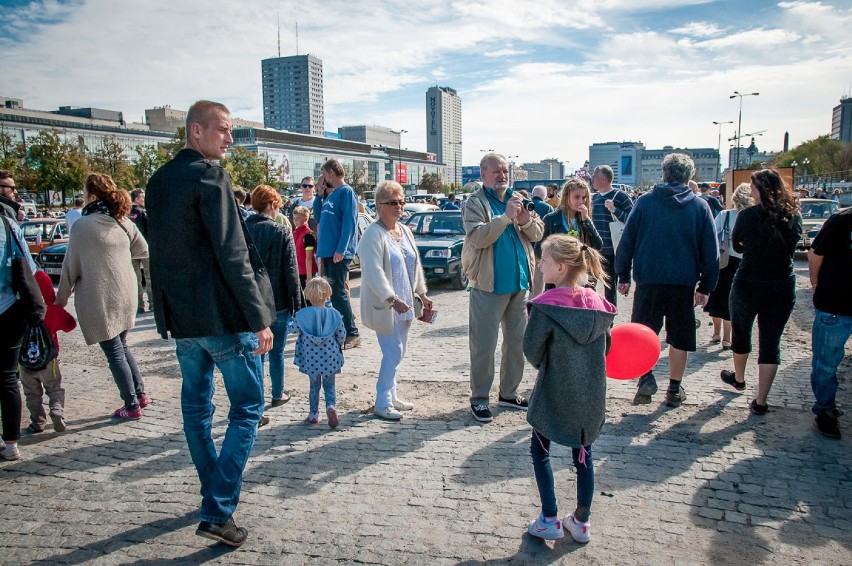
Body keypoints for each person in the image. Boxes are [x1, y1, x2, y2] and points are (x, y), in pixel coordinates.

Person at [146, 100, 276, 548]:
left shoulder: (158, 181)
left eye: (231, 130)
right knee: (248, 406)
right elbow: (232, 253)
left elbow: (158, 256)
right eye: (223, 130)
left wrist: (164, 315)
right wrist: (259, 317)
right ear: (195, 131)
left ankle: (212, 499)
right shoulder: (210, 176)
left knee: (196, 411)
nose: (229, 138)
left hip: (182, 320)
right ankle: (219, 508)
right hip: (220, 317)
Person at [523, 234, 615, 543]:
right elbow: (607, 347)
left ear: (561, 268)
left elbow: (532, 350)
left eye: (544, 260)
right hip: (590, 394)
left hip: (552, 391)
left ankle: (549, 517)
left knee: (540, 450)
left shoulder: (546, 307)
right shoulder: (599, 306)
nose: (540, 264)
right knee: (584, 454)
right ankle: (581, 521)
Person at [615, 153, 718, 408]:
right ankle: (674, 388)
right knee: (679, 337)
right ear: (689, 177)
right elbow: (711, 251)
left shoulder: (645, 203)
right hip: (682, 283)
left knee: (645, 333)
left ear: (663, 173)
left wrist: (624, 275)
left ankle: (646, 377)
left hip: (649, 279)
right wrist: (706, 286)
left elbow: (627, 240)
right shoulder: (700, 206)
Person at [56, 173, 150, 420]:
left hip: (101, 297)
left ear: (93, 195)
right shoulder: (122, 221)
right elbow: (142, 249)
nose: (83, 197)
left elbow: (69, 268)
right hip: (126, 293)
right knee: (122, 345)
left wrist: (60, 300)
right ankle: (140, 394)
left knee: (114, 351)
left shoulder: (82, 226)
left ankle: (131, 406)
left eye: (85, 193)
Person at [461, 152, 544, 423]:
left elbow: (537, 235)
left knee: (516, 344)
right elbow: (478, 237)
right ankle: (480, 399)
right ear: (483, 174)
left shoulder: (517, 198)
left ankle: (509, 393)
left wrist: (524, 220)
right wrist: (506, 217)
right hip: (488, 287)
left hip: (520, 285)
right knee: (484, 346)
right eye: (496, 171)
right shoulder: (475, 202)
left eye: (505, 170)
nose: (502, 175)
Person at [719, 170, 802, 415]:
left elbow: (736, 245)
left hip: (749, 280)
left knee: (741, 332)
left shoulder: (747, 216)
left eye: (753, 186)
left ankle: (740, 378)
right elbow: (793, 246)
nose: (750, 190)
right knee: (771, 342)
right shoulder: (792, 216)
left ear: (760, 189)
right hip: (782, 283)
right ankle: (762, 399)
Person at [357, 180, 432, 420]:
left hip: (406, 304)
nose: (399, 206)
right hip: (387, 305)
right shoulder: (373, 234)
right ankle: (381, 401)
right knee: (393, 352)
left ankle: (392, 395)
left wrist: (421, 292)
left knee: (400, 351)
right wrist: (392, 298)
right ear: (379, 206)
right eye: (392, 202)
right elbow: (373, 272)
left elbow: (415, 264)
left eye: (401, 201)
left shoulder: (405, 230)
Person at [245, 185, 305, 409]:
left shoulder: (242, 229)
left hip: (250, 301)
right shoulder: (281, 231)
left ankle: (257, 399)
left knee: (256, 354)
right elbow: (291, 271)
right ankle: (277, 393)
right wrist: (297, 306)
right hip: (277, 300)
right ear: (271, 205)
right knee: (276, 352)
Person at [0, 170, 40, 461]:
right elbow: (30, 267)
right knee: (7, 377)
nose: (13, 193)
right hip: (11, 306)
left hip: (9, 306)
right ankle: (12, 442)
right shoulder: (8, 223)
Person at [807, 206, 851, 438]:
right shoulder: (842, 220)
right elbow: (815, 253)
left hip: (834, 305)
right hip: (835, 305)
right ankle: (825, 409)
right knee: (826, 364)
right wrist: (815, 284)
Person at [20, 270, 76, 434]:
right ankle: (57, 411)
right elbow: (70, 325)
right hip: (49, 360)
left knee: (31, 394)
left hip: (25, 363)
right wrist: (59, 307)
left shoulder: (21, 310)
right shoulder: (52, 310)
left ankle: (38, 422)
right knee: (54, 388)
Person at [313, 159, 361, 349]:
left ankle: (352, 333)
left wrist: (342, 248)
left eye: (324, 175)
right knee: (331, 294)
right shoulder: (329, 196)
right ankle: (340, 329)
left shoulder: (346, 192)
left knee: (339, 292)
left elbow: (350, 222)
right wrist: (319, 194)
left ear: (331, 173)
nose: (323, 179)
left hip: (338, 252)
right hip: (327, 251)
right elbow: (317, 216)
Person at [289, 277, 346, 427]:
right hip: (330, 358)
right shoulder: (334, 314)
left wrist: (289, 319)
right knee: (330, 385)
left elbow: (292, 329)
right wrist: (339, 345)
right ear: (328, 293)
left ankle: (313, 414)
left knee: (314, 386)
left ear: (308, 294)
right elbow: (342, 335)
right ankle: (331, 406)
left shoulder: (302, 315)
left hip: (310, 359)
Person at [705, 184, 752, 350]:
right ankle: (726, 338)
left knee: (718, 298)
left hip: (724, 262)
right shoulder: (753, 217)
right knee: (732, 302)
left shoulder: (725, 215)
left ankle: (716, 333)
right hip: (743, 262)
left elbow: (711, 235)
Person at [591, 165, 633, 307]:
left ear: (603, 178)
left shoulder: (620, 196)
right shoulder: (593, 198)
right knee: (589, 286)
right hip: (594, 251)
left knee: (610, 289)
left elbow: (633, 221)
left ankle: (609, 322)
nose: (592, 180)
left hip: (612, 251)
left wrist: (614, 210)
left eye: (594, 177)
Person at [128, 189, 153, 313]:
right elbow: (150, 231)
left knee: (135, 279)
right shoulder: (143, 213)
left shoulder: (126, 214)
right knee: (149, 278)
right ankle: (152, 303)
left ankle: (139, 306)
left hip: (131, 250)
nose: (144, 199)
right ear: (136, 199)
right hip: (145, 248)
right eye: (142, 197)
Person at [292, 206, 318, 290]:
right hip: (297, 272)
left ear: (306, 219)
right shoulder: (294, 233)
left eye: (298, 218)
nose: (295, 220)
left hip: (306, 273)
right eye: (294, 218)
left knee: (308, 300)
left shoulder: (308, 235)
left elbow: (309, 257)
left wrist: (309, 277)